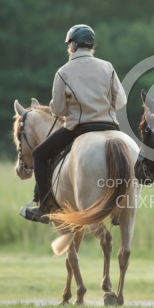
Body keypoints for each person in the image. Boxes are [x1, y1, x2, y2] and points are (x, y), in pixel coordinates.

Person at [22, 24, 127, 222]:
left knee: (40, 155)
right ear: (91, 45)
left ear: (72, 45)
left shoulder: (63, 71)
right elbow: (121, 101)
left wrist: (60, 105)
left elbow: (59, 110)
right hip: (111, 126)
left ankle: (44, 207)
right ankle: (122, 204)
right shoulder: (107, 67)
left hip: (79, 128)